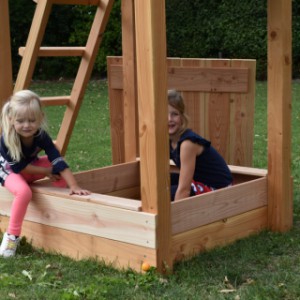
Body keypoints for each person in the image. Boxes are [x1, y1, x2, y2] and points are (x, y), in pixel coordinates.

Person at [0, 90, 90, 257]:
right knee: (24, 192)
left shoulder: (41, 135)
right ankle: (12, 236)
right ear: (11, 120)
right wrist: (48, 172)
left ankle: (59, 206)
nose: (26, 125)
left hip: (31, 167)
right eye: (20, 121)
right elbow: (20, 168)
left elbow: (57, 159)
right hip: (8, 171)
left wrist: (74, 185)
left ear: (40, 118)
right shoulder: (7, 140)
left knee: (58, 167)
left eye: (32, 120)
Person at [168, 89, 233, 201]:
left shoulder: (187, 143)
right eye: (165, 114)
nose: (169, 119)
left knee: (169, 194)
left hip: (219, 190)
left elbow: (184, 190)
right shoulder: (168, 140)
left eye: (175, 114)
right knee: (164, 182)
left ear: (182, 117)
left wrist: (177, 215)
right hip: (199, 182)